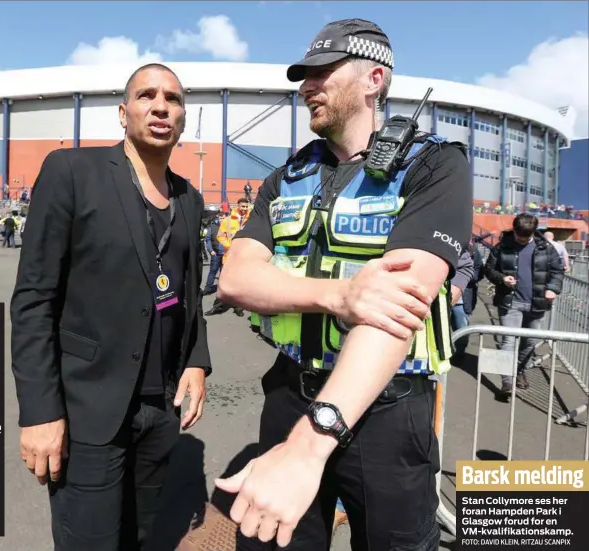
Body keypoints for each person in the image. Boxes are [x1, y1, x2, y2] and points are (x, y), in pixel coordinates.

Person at [213, 18, 473, 551]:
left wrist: (309, 447)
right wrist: (339, 296)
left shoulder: (435, 166)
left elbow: (397, 307)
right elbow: (235, 279)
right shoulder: (284, 178)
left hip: (388, 409)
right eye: (303, 76)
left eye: (322, 72)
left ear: (374, 79)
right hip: (288, 391)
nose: (306, 86)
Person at [10, 62, 212, 551]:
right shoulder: (72, 173)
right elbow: (34, 298)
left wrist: (197, 361)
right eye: (147, 96)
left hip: (158, 411)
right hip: (88, 410)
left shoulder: (188, 198)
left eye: (173, 99)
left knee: (141, 537)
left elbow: (189, 292)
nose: (161, 106)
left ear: (183, 119)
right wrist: (39, 412)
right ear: (124, 113)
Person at [484, 214, 563, 397]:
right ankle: (507, 382)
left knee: (530, 343)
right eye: (519, 236)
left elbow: (558, 271)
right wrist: (502, 278)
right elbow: (489, 269)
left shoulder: (546, 248)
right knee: (508, 341)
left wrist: (552, 288)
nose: (522, 239)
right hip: (510, 302)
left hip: (537, 303)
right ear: (514, 230)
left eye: (526, 237)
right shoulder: (503, 246)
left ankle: (518, 371)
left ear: (533, 232)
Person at [205, 198, 250, 316]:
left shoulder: (251, 220)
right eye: (243, 206)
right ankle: (217, 306)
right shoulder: (227, 220)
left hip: (244, 258)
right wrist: (230, 246)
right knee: (223, 283)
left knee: (240, 284)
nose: (245, 209)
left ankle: (238, 307)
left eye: (246, 207)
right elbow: (220, 236)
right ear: (238, 206)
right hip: (229, 256)